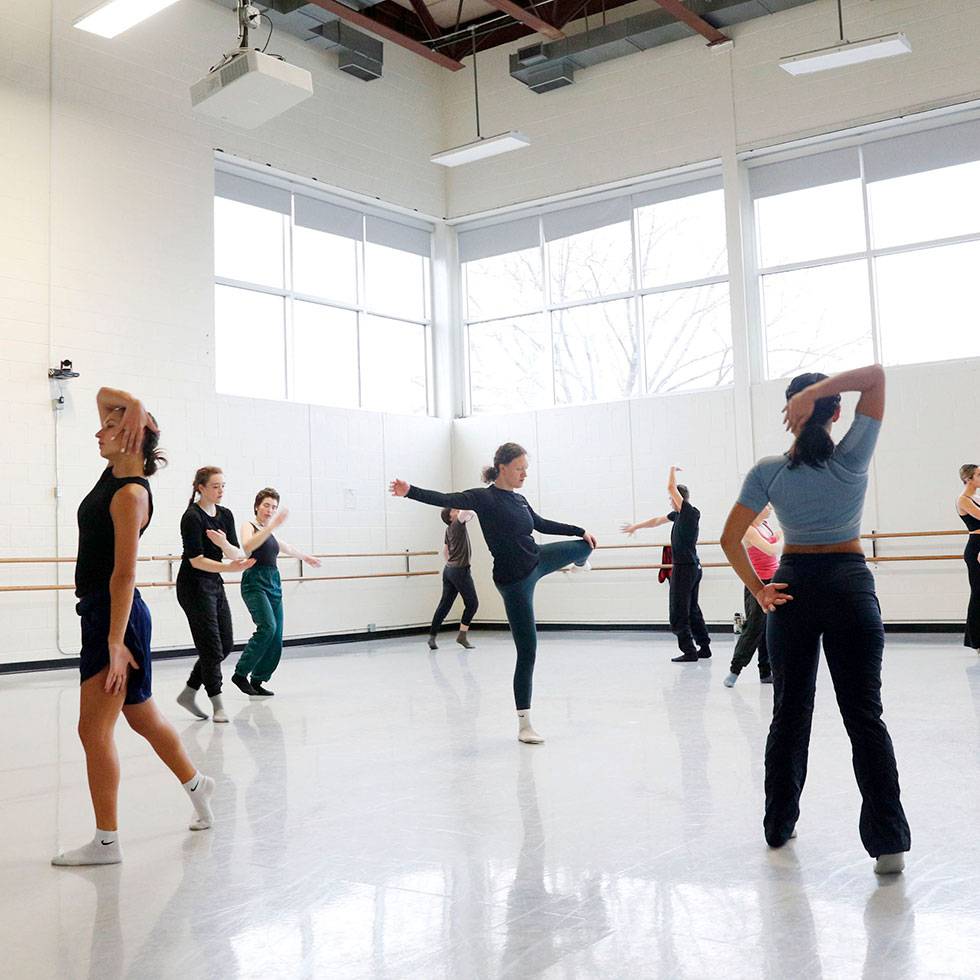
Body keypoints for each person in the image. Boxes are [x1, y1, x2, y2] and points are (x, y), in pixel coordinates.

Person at [720, 365, 911, 875]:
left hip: (793, 588)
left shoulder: (769, 470)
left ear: (792, 415)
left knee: (790, 711)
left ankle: (779, 825)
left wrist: (760, 591)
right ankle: (889, 842)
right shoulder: (853, 455)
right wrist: (815, 393)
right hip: (849, 583)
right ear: (836, 411)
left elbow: (728, 538)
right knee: (864, 716)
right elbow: (874, 376)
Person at [52, 388, 215, 866]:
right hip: (110, 612)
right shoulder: (116, 473)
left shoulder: (129, 494)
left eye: (110, 427)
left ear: (129, 439)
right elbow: (105, 394)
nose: (98, 430)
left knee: (92, 729)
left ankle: (106, 842)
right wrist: (136, 410)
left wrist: (115, 641)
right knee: (141, 714)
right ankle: (197, 784)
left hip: (114, 613)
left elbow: (124, 574)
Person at [390, 442, 596, 743]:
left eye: (526, 469)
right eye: (519, 469)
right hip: (514, 581)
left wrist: (579, 530)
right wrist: (410, 491)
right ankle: (525, 725)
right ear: (502, 468)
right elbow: (446, 498)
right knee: (528, 651)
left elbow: (540, 524)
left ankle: (580, 563)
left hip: (537, 558)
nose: (524, 474)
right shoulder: (483, 498)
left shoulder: (521, 500)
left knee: (586, 544)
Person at [175, 467, 253, 723]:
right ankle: (217, 704)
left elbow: (236, 554)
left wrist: (223, 545)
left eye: (223, 486)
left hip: (214, 582)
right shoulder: (192, 517)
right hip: (193, 585)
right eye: (215, 486)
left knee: (226, 644)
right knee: (210, 647)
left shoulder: (225, 515)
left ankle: (188, 692)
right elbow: (196, 561)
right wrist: (227, 567)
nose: (220, 491)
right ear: (201, 488)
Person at [230, 487, 322, 697]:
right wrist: (271, 526)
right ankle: (240, 674)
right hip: (255, 582)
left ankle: (258, 679)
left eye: (273, 507)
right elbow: (247, 546)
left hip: (273, 581)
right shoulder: (249, 525)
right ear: (257, 506)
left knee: (276, 635)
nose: (270, 510)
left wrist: (306, 557)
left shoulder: (269, 531)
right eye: (266, 505)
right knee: (267, 627)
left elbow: (286, 547)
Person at [622, 466, 710, 663]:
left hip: (685, 567)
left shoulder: (689, 513)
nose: (670, 501)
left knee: (678, 610)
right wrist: (636, 526)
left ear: (679, 498)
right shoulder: (678, 516)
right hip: (692, 567)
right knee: (692, 609)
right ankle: (704, 646)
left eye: (672, 499)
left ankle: (689, 650)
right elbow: (656, 521)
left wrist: (671, 470)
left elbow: (670, 487)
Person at [724, 504, 781, 687]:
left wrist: (784, 533)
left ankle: (766, 671)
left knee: (769, 628)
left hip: (773, 580)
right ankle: (735, 669)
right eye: (767, 506)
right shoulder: (748, 529)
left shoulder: (765, 525)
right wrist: (788, 538)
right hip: (757, 584)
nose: (770, 509)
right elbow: (771, 550)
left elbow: (774, 540)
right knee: (755, 627)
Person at [427, 507, 479, 651]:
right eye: (454, 511)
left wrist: (450, 564)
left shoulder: (449, 529)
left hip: (449, 570)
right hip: (460, 571)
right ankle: (462, 636)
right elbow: (470, 512)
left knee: (444, 604)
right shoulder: (457, 524)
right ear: (451, 518)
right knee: (472, 604)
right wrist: (464, 505)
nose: (457, 511)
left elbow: (445, 550)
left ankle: (432, 636)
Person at [955, 464, 980, 653]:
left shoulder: (976, 498)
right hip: (976, 548)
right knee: (978, 593)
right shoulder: (963, 500)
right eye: (979, 475)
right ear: (968, 479)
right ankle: (976, 641)